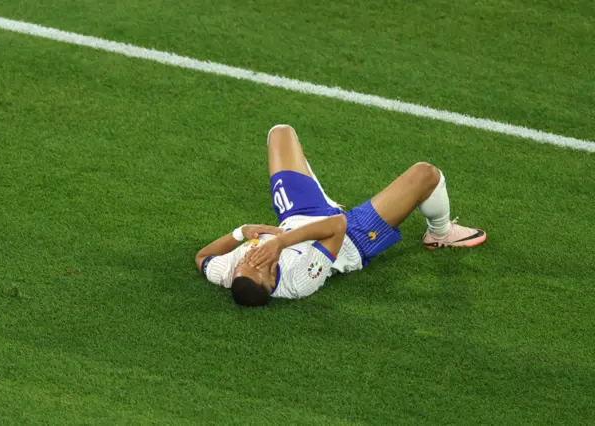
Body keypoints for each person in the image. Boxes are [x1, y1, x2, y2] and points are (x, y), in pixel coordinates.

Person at [195, 125, 486, 306]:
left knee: (280, 133)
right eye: (255, 266)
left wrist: (241, 231)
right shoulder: (298, 283)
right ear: (270, 281)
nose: (247, 259)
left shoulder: (231, 274)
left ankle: (320, 194)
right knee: (426, 175)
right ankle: (440, 232)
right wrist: (279, 243)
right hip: (353, 237)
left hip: (298, 214)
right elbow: (337, 225)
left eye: (242, 266)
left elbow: (201, 258)